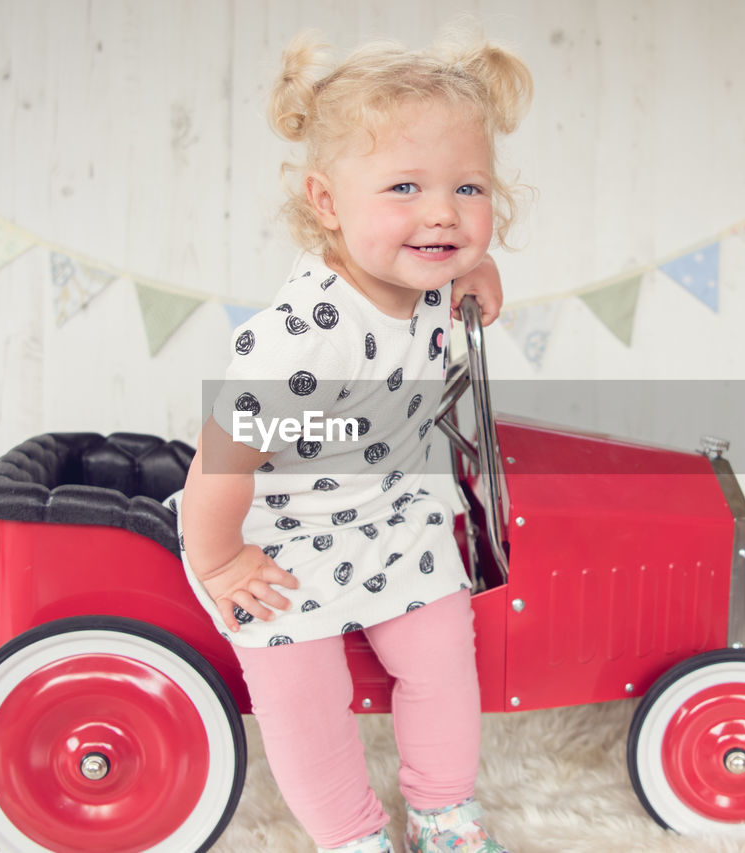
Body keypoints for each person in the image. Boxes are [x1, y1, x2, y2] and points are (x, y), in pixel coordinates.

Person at [176, 26, 532, 853]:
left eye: (467, 188)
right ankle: (348, 832)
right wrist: (223, 559)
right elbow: (221, 458)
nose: (442, 212)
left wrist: (473, 269)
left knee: (442, 656)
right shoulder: (305, 339)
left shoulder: (430, 274)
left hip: (393, 514)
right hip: (279, 532)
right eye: (404, 186)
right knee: (302, 692)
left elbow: (465, 269)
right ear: (327, 202)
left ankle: (443, 808)